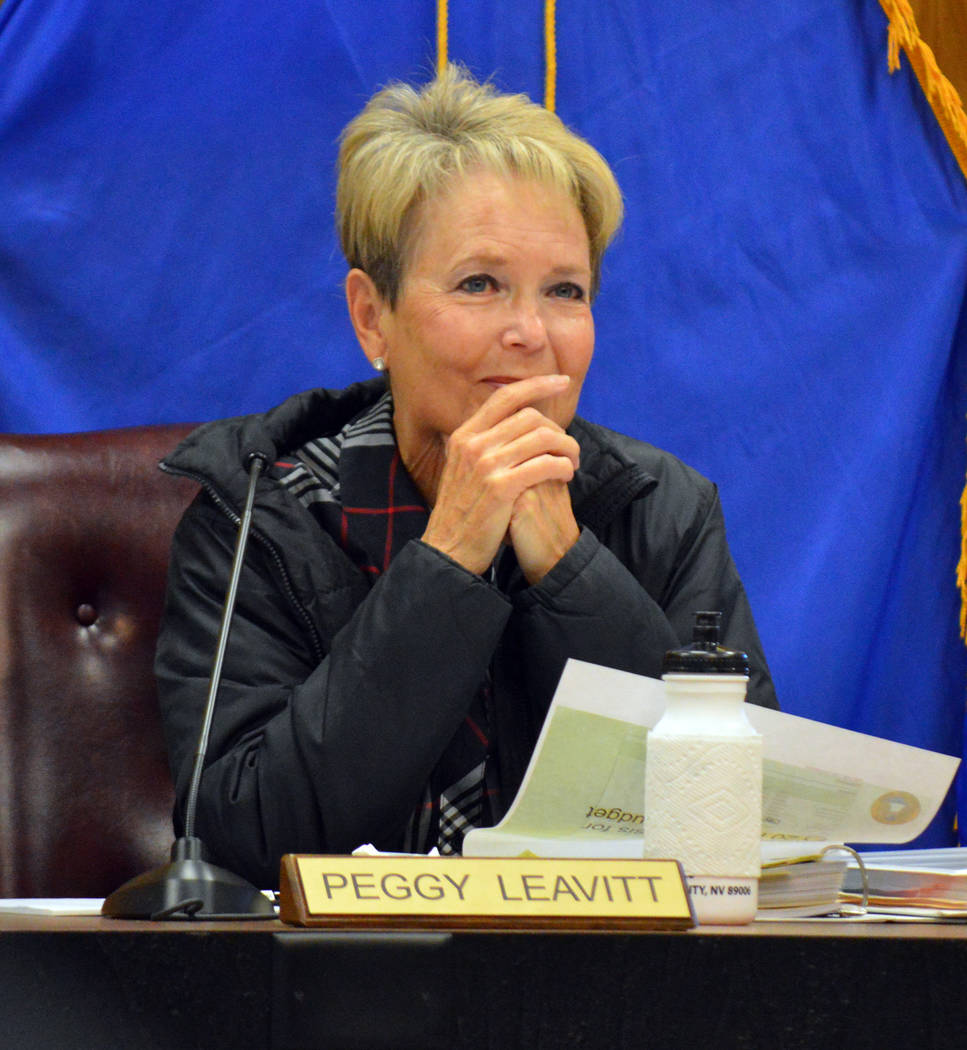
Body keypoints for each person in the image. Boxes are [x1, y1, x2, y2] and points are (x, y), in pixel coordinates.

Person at [155, 65, 778, 890]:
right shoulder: (260, 513)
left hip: (610, 985)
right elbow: (240, 836)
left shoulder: (662, 508)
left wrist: (567, 563)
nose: (529, 333)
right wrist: (448, 557)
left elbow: (750, 818)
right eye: (479, 284)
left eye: (564, 291)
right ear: (372, 316)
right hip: (335, 990)